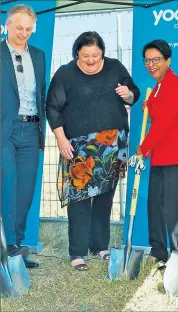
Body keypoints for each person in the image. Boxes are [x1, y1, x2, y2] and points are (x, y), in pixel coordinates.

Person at [46, 31, 140, 271]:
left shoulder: (115, 67)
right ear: (77, 52)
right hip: (79, 146)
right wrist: (61, 139)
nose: (90, 60)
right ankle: (77, 252)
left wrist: (127, 94)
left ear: (102, 53)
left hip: (112, 146)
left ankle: (101, 245)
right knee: (79, 199)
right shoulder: (65, 73)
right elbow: (53, 108)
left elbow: (134, 93)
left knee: (105, 197)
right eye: (85, 55)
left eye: (95, 56)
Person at [136, 40, 178, 267]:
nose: (151, 64)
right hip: (162, 155)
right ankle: (159, 251)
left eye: (156, 60)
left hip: (176, 155)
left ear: (167, 61)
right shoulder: (159, 85)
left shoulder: (173, 84)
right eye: (147, 60)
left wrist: (145, 146)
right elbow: (158, 114)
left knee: (172, 206)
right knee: (155, 204)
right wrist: (149, 105)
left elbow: (165, 123)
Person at [1, 5, 46, 268]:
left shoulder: (38, 55)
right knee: (7, 188)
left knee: (25, 191)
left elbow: (41, 93)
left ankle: (15, 247)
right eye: (19, 27)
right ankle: (3, 249)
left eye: (29, 29)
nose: (24, 33)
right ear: (7, 24)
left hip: (31, 130)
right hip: (5, 130)